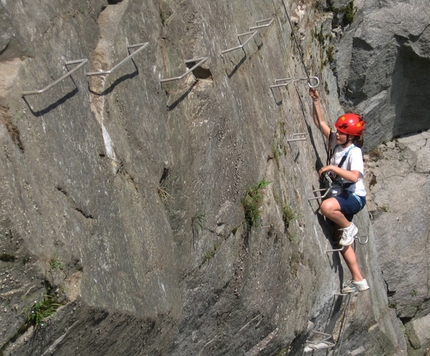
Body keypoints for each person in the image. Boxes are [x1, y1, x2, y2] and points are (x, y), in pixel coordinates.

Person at [309, 88, 369, 293]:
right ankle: (358, 279)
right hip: (343, 195)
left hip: (354, 197)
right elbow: (319, 123)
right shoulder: (336, 140)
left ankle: (350, 227)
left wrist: (333, 168)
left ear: (351, 136)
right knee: (341, 241)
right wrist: (316, 101)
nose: (338, 134)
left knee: (326, 208)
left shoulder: (355, 152)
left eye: (343, 132)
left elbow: (354, 176)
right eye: (339, 131)